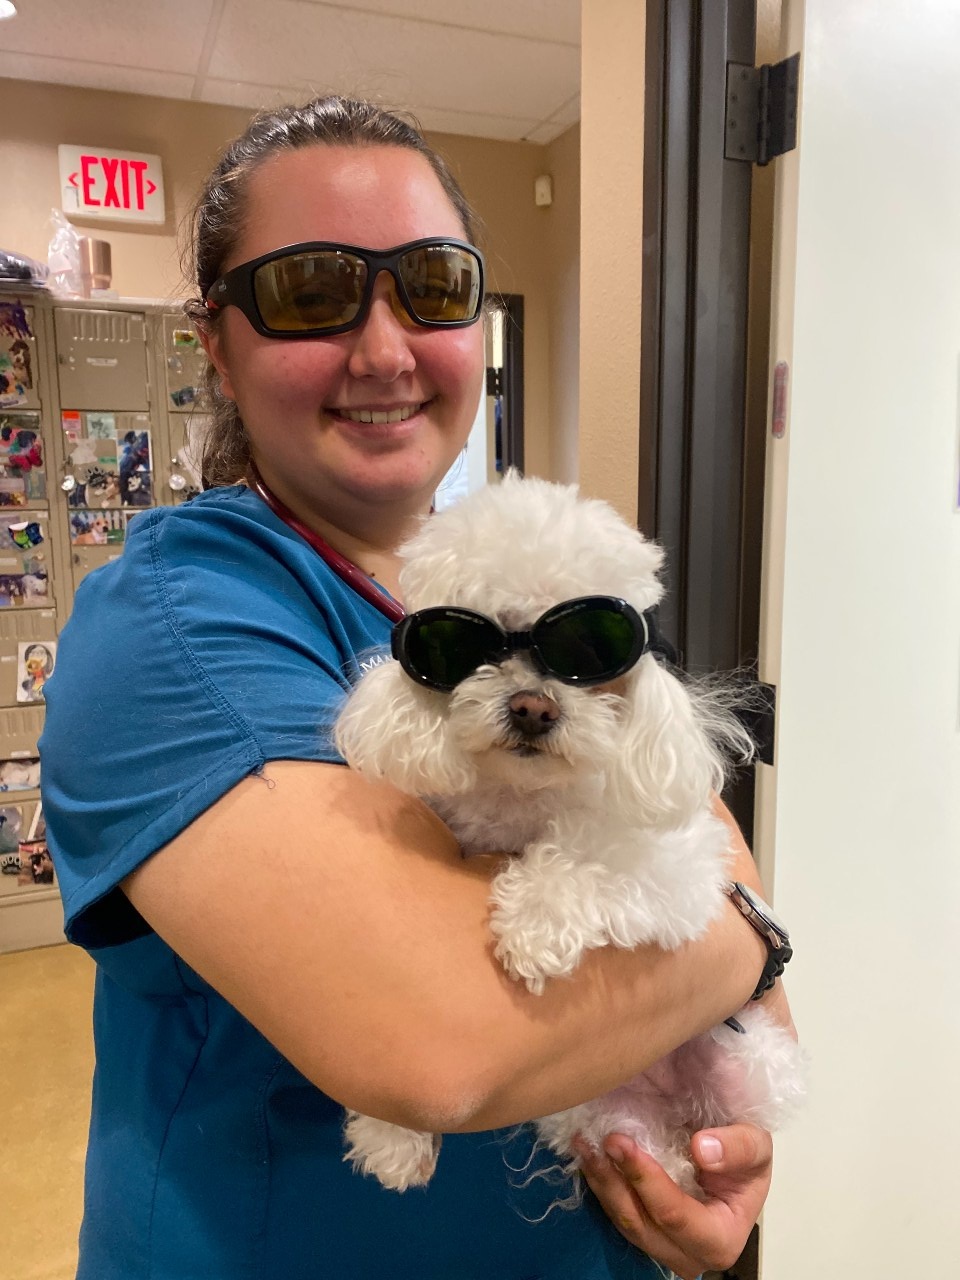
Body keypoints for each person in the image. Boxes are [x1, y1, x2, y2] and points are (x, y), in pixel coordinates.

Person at [39, 95, 794, 1280]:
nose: (385, 350)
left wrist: (732, 1098)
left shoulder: (478, 582)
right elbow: (439, 1049)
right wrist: (750, 942)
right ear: (217, 344)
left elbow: (684, 811)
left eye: (433, 285)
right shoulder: (175, 627)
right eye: (309, 292)